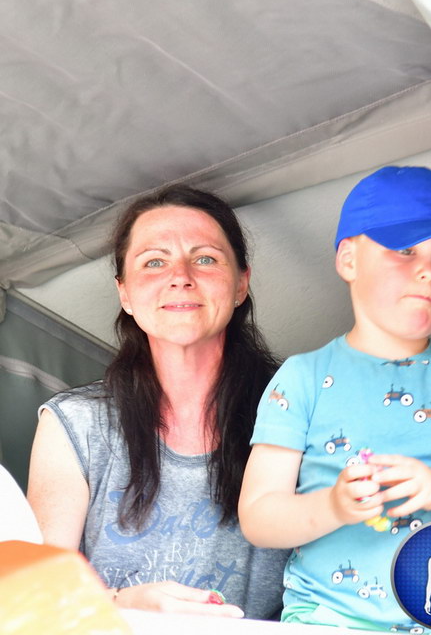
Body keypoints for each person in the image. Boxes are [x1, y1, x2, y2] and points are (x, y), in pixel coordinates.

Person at [238, 166, 431, 631]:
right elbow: (259, 517)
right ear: (349, 260)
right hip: (331, 617)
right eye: (406, 250)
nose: (429, 271)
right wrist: (333, 506)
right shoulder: (303, 378)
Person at [27, 186, 289, 618]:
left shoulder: (298, 414)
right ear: (125, 294)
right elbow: (35, 595)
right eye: (154, 262)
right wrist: (124, 605)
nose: (180, 276)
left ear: (241, 283)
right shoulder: (75, 422)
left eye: (206, 258)